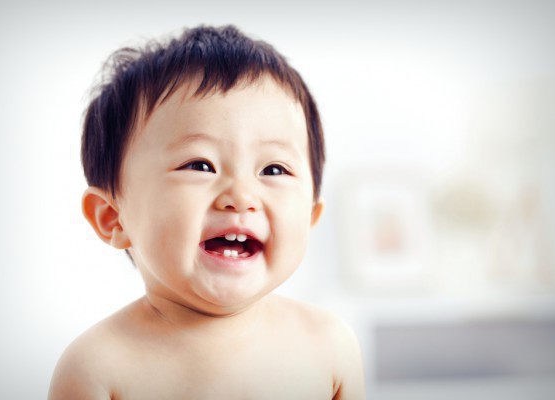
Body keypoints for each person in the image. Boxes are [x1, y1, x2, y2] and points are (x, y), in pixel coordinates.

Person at [48, 25, 364, 399]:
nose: (241, 196)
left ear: (310, 218)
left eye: (274, 170)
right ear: (112, 217)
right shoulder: (97, 369)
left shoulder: (329, 346)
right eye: (200, 165)